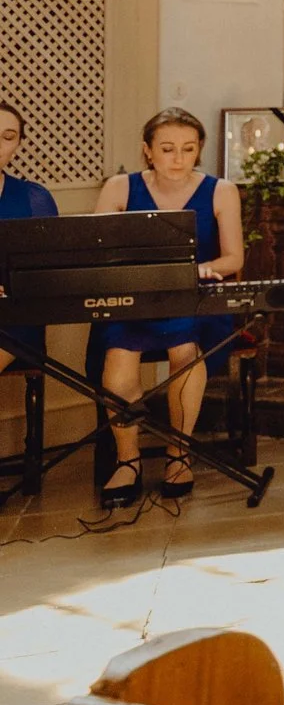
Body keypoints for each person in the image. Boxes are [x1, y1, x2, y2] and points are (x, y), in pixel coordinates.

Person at [91, 108, 244, 505]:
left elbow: (234, 260)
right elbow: (96, 250)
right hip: (135, 298)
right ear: (148, 151)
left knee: (184, 349)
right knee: (119, 356)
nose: (178, 158)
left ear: (200, 151)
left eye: (188, 149)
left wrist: (200, 270)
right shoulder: (119, 187)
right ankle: (128, 460)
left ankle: (179, 454)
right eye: (168, 149)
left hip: (195, 296)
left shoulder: (221, 190)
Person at [0, 101, 59, 377]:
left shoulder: (35, 198)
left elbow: (49, 272)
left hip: (15, 318)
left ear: (19, 144)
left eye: (8, 137)